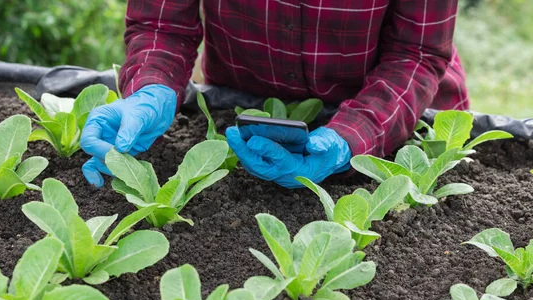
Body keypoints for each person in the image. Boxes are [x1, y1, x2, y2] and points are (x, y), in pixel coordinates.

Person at [80, 0, 469, 188]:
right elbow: (161, 22)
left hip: (393, 113)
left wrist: (350, 138)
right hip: (243, 99)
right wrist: (153, 88)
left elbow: (415, 53)